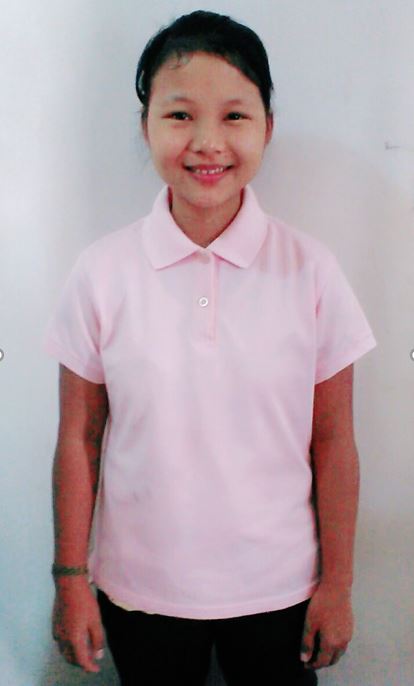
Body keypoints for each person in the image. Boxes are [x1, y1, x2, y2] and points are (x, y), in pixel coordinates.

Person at [43, 10, 377, 686]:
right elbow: (79, 436)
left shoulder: (311, 271)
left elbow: (334, 439)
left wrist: (338, 584)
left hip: (281, 588)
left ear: (267, 128)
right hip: (139, 589)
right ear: (146, 124)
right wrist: (71, 578)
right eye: (179, 115)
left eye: (234, 116)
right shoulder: (101, 272)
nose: (207, 142)